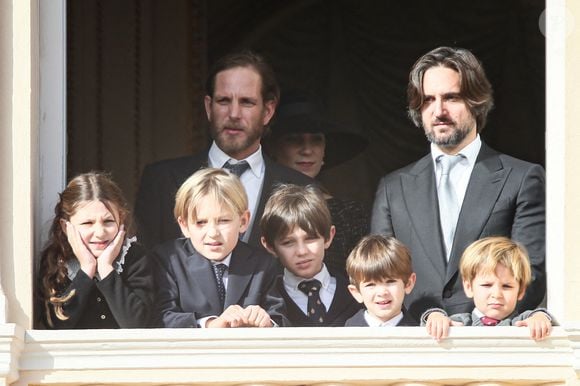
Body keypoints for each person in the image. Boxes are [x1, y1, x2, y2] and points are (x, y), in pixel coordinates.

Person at [370, 46, 546, 320]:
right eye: (428, 100)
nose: (438, 110)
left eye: (451, 98)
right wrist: (429, 318)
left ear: (476, 101)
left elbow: (530, 271)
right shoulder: (393, 187)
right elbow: (381, 272)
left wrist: (479, 324)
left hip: (492, 343)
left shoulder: (522, 178)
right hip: (414, 340)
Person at [135, 51, 312, 251]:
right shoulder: (160, 180)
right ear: (209, 107)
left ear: (268, 111)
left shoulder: (302, 189)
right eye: (224, 101)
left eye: (247, 102)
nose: (234, 114)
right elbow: (145, 269)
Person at [151, 168, 286, 328]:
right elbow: (161, 316)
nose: (213, 233)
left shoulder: (262, 265)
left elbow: (280, 316)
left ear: (243, 221)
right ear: (184, 225)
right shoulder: (168, 260)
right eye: (201, 222)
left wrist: (267, 322)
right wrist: (210, 324)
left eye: (223, 221)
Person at [265, 92, 369, 274]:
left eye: (316, 140)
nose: (307, 150)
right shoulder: (258, 207)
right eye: (294, 139)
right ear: (274, 148)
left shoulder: (350, 214)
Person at [37, 172, 153, 329]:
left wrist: (106, 269)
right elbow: (56, 326)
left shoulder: (134, 258)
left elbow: (137, 324)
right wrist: (86, 270)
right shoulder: (56, 262)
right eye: (87, 223)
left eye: (108, 221)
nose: (100, 232)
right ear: (66, 227)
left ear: (121, 221)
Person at [260, 184, 361, 327]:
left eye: (310, 239)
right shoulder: (266, 301)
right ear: (270, 246)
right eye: (288, 242)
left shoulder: (358, 294)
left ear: (328, 237)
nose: (302, 251)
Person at [422, 237, 555, 341]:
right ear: (469, 287)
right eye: (486, 285)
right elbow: (430, 329)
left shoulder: (520, 322)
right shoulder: (461, 322)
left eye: (507, 286)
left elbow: (541, 317)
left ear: (520, 291)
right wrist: (435, 316)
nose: (496, 294)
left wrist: (540, 318)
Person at [344, 235, 418, 327]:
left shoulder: (423, 335)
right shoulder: (346, 333)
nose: (382, 292)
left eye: (390, 281)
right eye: (370, 284)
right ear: (356, 292)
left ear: (408, 283)